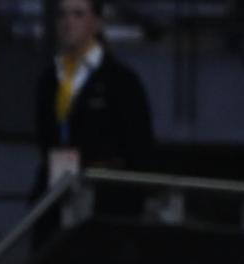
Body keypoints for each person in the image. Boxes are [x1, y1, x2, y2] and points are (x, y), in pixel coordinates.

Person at [33, 0, 154, 188]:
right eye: (62, 15)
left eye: (78, 15)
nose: (68, 22)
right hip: (57, 189)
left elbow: (139, 147)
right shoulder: (50, 79)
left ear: (97, 23)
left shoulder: (121, 81)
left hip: (104, 192)